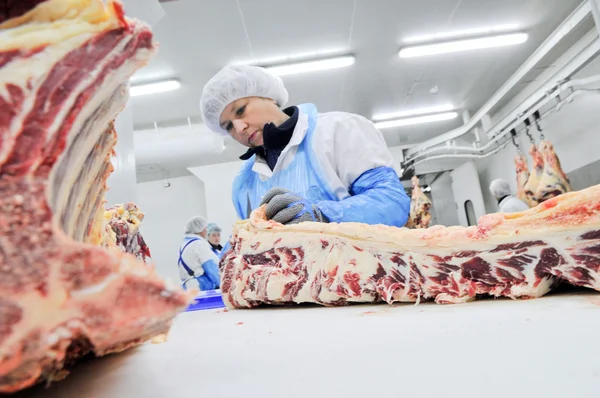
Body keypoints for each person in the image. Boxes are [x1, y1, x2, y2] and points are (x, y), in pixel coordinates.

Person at [200, 64, 411, 229]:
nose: (239, 127)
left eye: (240, 111)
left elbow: (392, 203)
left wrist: (322, 215)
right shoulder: (243, 183)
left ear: (268, 96)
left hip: (357, 279)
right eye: (228, 126)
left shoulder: (338, 131)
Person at [178, 216, 220, 291]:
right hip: (201, 288)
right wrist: (225, 286)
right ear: (201, 230)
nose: (207, 231)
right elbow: (212, 269)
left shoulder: (184, 245)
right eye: (205, 228)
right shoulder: (199, 244)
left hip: (188, 289)